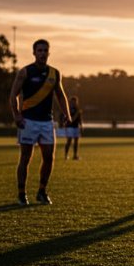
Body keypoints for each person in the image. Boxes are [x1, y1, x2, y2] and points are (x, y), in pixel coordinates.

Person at [8, 39, 71, 206]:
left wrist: (67, 114)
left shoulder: (55, 73)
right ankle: (22, 193)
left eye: (45, 50)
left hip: (46, 122)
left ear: (49, 53)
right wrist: (17, 116)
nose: (42, 53)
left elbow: (61, 96)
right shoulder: (25, 72)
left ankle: (42, 191)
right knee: (25, 158)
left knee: (49, 157)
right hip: (28, 122)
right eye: (39, 50)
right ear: (34, 53)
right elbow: (13, 95)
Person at [63, 95, 83, 161]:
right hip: (70, 127)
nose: (74, 103)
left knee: (76, 142)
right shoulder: (68, 109)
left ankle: (75, 155)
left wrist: (81, 125)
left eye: (75, 102)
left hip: (76, 127)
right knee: (69, 141)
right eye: (73, 101)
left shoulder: (77, 109)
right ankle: (66, 155)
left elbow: (80, 119)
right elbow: (69, 119)